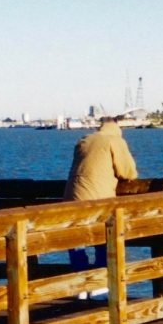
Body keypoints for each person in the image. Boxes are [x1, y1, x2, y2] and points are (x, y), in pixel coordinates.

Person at [64, 116, 138, 297]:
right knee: (106, 237)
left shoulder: (85, 140)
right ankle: (99, 281)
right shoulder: (115, 141)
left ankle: (81, 282)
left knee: (77, 242)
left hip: (71, 199)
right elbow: (128, 172)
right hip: (98, 201)